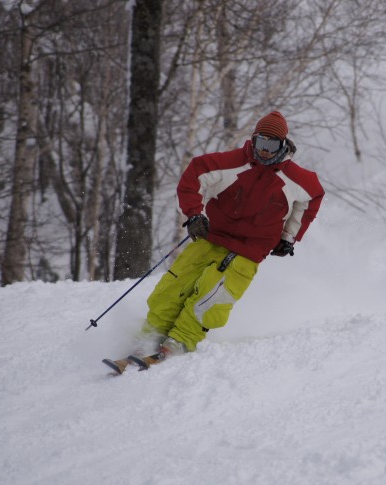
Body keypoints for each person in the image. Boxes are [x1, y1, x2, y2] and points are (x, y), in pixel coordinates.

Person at [137, 111, 324, 358]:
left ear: (283, 144)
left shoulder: (296, 179)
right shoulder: (233, 162)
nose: (265, 151)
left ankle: (180, 340)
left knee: (211, 294)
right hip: (212, 236)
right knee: (174, 286)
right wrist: (194, 214)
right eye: (261, 143)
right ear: (253, 139)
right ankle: (150, 336)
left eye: (272, 145)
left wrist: (289, 237)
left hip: (250, 251)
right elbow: (194, 175)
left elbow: (312, 197)